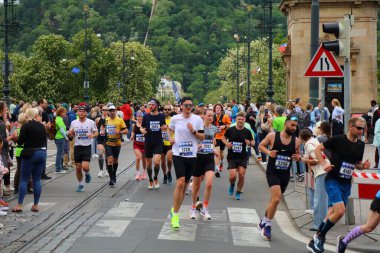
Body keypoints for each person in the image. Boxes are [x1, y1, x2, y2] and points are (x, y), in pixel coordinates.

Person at [307, 117, 370, 253]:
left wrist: (362, 166)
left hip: (346, 183)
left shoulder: (361, 145)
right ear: (350, 126)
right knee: (340, 211)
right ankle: (320, 237)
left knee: (332, 213)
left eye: (363, 128)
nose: (361, 131)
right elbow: (318, 150)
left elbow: (356, 164)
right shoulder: (337, 139)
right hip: (333, 180)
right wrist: (324, 164)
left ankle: (314, 241)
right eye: (359, 128)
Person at [258, 113, 301, 240]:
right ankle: (268, 225)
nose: (294, 128)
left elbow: (298, 156)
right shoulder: (273, 136)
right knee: (276, 199)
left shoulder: (296, 141)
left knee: (274, 200)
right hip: (272, 171)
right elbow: (261, 145)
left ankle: (263, 221)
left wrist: (297, 157)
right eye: (292, 125)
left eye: (295, 126)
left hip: (285, 173)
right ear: (286, 123)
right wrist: (268, 152)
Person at [168, 97, 204, 230]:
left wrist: (193, 131)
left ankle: (174, 209)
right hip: (178, 153)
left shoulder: (197, 119)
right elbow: (169, 129)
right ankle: (176, 215)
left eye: (190, 105)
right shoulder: (175, 118)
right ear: (181, 106)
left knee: (184, 186)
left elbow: (202, 136)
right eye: (186, 105)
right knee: (181, 181)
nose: (188, 107)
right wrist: (171, 138)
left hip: (192, 155)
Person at [12, 108, 47, 213]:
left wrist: (16, 138)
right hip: (42, 153)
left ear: (27, 116)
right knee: (36, 180)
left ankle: (19, 205)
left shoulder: (26, 126)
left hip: (30, 153)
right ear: (36, 115)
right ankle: (36, 205)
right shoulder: (41, 126)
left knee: (24, 179)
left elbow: (20, 142)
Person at [190, 109, 218, 220]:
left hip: (209, 158)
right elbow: (193, 141)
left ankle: (205, 209)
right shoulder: (199, 128)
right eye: (208, 115)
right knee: (196, 185)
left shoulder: (214, 128)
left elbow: (212, 141)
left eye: (212, 116)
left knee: (209, 183)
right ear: (204, 116)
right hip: (198, 158)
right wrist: (197, 147)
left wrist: (213, 148)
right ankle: (193, 207)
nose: (210, 117)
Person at [300, 128, 329, 230]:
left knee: (319, 200)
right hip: (326, 171)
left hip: (321, 172)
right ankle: (324, 223)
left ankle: (318, 226)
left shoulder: (308, 144)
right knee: (324, 200)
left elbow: (316, 159)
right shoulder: (315, 141)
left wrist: (304, 159)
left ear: (301, 138)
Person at [223, 112, 254, 200]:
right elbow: (223, 138)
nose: (240, 121)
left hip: (243, 157)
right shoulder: (231, 130)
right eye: (239, 119)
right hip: (232, 157)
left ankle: (238, 191)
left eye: (242, 119)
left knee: (241, 175)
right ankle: (232, 184)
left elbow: (253, 142)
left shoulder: (247, 131)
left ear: (245, 120)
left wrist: (250, 143)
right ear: (236, 120)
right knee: (233, 176)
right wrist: (227, 144)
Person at [68, 106, 98, 192]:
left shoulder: (91, 122)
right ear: (77, 113)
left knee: (85, 167)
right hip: (77, 146)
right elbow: (71, 136)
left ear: (86, 113)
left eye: (83, 111)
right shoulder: (74, 122)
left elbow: (96, 132)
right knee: (78, 168)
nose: (81, 113)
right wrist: (70, 134)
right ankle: (81, 184)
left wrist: (92, 135)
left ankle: (87, 173)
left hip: (87, 146)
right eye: (79, 111)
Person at [141, 99, 166, 189]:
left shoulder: (162, 116)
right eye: (149, 105)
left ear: (157, 106)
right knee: (148, 164)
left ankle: (155, 177)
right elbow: (142, 127)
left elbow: (164, 126)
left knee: (156, 162)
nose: (150, 106)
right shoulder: (146, 117)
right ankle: (150, 180)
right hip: (148, 142)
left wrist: (164, 127)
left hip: (158, 142)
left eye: (152, 105)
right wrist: (142, 130)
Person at [105, 105, 128, 187]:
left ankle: (114, 173)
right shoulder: (106, 120)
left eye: (113, 110)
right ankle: (111, 178)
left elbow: (126, 130)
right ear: (108, 112)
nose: (111, 112)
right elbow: (102, 128)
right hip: (108, 143)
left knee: (115, 160)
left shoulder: (120, 120)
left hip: (117, 143)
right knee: (110, 159)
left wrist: (120, 132)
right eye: (110, 111)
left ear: (115, 111)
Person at [212, 103, 231, 176]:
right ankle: (217, 170)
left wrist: (225, 126)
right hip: (215, 137)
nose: (218, 109)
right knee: (217, 153)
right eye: (216, 108)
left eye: (219, 108)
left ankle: (221, 162)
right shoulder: (213, 117)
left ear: (221, 109)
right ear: (214, 109)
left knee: (221, 153)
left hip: (223, 137)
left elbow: (230, 125)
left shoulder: (225, 117)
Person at [130, 111, 147, 181]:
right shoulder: (134, 125)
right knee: (138, 158)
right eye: (138, 117)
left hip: (144, 144)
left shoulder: (145, 125)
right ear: (136, 117)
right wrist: (132, 136)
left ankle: (144, 171)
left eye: (141, 117)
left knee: (144, 159)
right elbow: (133, 131)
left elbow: (147, 132)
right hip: (137, 144)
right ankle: (137, 173)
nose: (140, 118)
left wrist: (144, 132)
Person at [95, 105, 108, 178]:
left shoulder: (110, 119)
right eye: (103, 110)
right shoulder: (97, 119)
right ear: (101, 110)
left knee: (107, 155)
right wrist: (99, 132)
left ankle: (107, 170)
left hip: (108, 139)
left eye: (106, 110)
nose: (105, 111)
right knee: (100, 153)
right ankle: (101, 170)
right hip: (100, 138)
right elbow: (96, 128)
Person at [54, 107, 68, 174]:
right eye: (64, 112)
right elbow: (62, 130)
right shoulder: (59, 119)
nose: (65, 113)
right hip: (60, 138)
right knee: (60, 154)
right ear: (61, 112)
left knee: (60, 153)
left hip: (59, 138)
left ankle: (60, 167)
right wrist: (66, 137)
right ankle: (58, 168)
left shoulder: (58, 118)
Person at [161, 105, 173, 184]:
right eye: (165, 109)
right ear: (163, 110)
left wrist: (169, 128)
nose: (167, 111)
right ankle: (164, 175)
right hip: (161, 142)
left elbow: (175, 128)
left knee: (169, 159)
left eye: (169, 109)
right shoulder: (160, 119)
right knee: (162, 161)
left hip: (170, 142)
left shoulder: (173, 120)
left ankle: (169, 171)